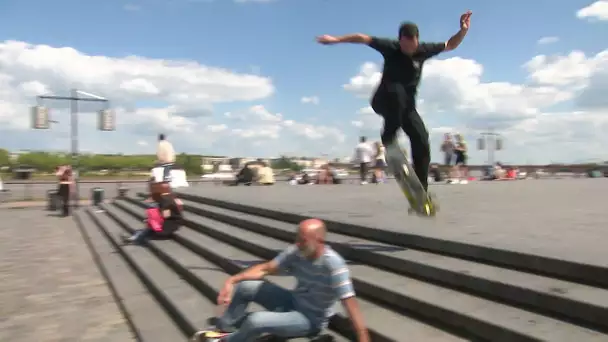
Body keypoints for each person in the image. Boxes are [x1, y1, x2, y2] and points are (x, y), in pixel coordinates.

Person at [316, 11, 472, 192]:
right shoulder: (390, 47)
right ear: (400, 41)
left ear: (417, 40)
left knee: (421, 138)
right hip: (383, 100)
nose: (409, 50)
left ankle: (421, 188)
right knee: (398, 92)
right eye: (405, 46)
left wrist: (463, 30)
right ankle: (389, 138)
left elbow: (451, 45)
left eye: (412, 46)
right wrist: (336, 40)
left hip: (406, 108)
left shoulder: (424, 50)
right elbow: (362, 38)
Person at [192, 219, 369, 342]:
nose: (298, 243)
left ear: (319, 240)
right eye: (297, 238)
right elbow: (265, 269)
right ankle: (225, 328)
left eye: (303, 240)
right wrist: (231, 280)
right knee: (247, 286)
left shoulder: (334, 265)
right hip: (292, 301)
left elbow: (350, 305)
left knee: (256, 321)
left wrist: (362, 336)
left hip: (310, 320)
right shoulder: (297, 251)